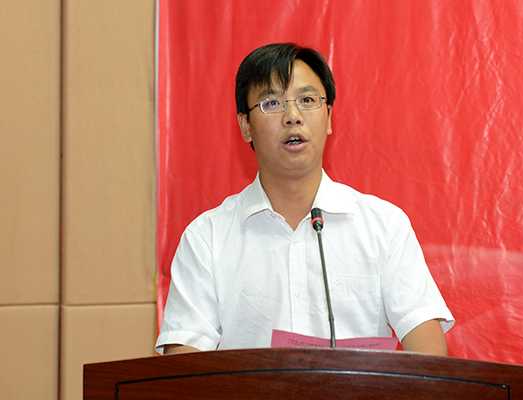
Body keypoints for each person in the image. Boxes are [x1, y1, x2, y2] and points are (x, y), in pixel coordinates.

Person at [155, 43, 454, 356]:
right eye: (272, 103)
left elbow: (427, 347)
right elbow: (184, 360)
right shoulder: (207, 238)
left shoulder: (385, 226)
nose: (292, 116)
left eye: (307, 100)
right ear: (246, 125)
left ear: (328, 117)